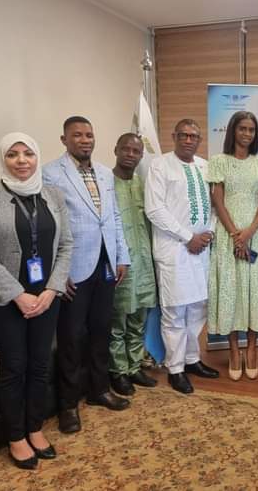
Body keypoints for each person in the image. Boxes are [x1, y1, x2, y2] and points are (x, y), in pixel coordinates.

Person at [0, 133, 73, 469]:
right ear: (4, 159)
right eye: (12, 154)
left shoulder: (53, 194)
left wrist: (52, 290)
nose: (21, 160)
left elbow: (66, 245)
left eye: (28, 153)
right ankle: (16, 437)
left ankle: (35, 428)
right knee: (14, 367)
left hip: (46, 297)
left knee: (40, 365)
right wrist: (18, 295)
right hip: (3, 300)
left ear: (37, 157)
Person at [43, 116, 131, 434]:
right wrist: (58, 272)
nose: (85, 140)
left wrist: (122, 256)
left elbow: (114, 216)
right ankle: (68, 405)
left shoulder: (105, 173)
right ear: (64, 140)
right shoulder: (51, 173)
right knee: (71, 338)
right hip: (73, 267)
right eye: (77, 135)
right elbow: (49, 225)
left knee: (101, 330)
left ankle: (99, 390)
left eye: (89, 135)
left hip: (105, 263)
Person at [144, 119, 220, 394]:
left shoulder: (205, 167)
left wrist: (209, 233)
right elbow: (154, 209)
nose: (189, 140)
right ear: (174, 136)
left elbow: (216, 206)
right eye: (184, 135)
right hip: (174, 250)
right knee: (175, 311)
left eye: (194, 136)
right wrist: (188, 237)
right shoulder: (159, 165)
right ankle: (175, 368)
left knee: (198, 306)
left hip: (201, 251)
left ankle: (191, 359)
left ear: (199, 140)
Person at [207, 111, 258, 381]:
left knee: (254, 291)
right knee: (231, 290)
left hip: (255, 234)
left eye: (251, 129)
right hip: (228, 235)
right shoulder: (219, 161)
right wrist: (235, 235)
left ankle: (252, 348)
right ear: (233, 131)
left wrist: (248, 233)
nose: (247, 134)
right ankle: (234, 350)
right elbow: (218, 201)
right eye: (242, 128)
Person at [109, 133, 158, 395]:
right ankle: (118, 371)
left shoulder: (144, 184)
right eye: (125, 149)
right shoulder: (106, 184)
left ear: (141, 156)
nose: (130, 154)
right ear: (115, 150)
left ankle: (135, 366)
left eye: (136, 151)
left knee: (139, 318)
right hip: (120, 265)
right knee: (118, 321)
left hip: (145, 262)